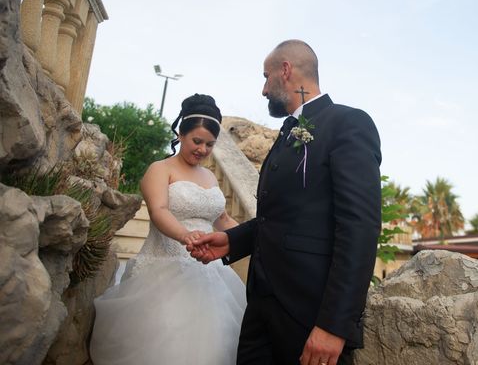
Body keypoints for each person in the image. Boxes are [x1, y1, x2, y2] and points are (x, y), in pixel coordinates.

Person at [189, 40, 382, 365]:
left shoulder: (348, 124)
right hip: (261, 309)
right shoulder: (287, 133)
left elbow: (359, 228)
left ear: (286, 70)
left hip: (308, 316)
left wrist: (334, 326)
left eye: (266, 77)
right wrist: (232, 241)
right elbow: (279, 218)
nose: (264, 89)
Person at [90, 94, 246, 365]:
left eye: (210, 144)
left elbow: (223, 219)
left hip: (210, 273)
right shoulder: (160, 169)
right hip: (164, 270)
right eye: (197, 141)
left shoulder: (210, 177)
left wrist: (255, 236)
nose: (202, 150)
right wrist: (185, 235)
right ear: (180, 134)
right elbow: (158, 211)